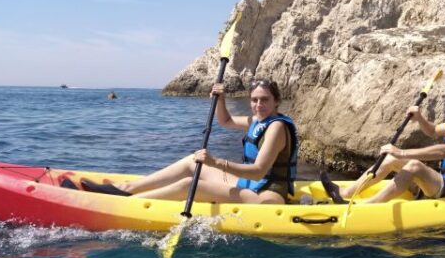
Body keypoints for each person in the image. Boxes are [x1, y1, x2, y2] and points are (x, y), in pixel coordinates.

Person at [80, 78, 298, 204]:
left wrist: (216, 163)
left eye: (264, 100)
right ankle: (125, 188)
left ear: (277, 101)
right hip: (251, 185)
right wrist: (221, 100)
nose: (258, 104)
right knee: (192, 162)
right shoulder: (258, 120)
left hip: (267, 195)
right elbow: (227, 121)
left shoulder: (276, 127)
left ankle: (126, 204)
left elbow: (259, 171)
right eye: (254, 100)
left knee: (188, 185)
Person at [321, 76, 445, 204]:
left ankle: (366, 207)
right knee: (391, 158)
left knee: (413, 165)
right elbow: (434, 131)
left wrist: (402, 151)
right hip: (442, 181)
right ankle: (345, 193)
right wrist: (419, 117)